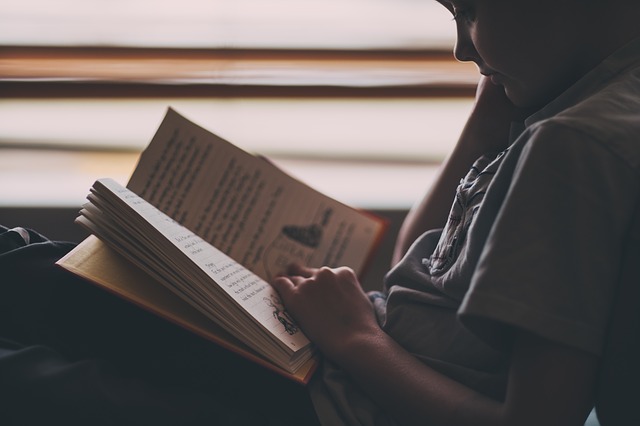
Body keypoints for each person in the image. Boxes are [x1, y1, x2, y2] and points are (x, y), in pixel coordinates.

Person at [271, 0, 640, 425]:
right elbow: (421, 276)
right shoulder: (589, 100)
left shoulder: (571, 146)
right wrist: (484, 123)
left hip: (340, 404)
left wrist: (354, 336)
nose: (461, 50)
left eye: (468, 11)